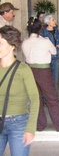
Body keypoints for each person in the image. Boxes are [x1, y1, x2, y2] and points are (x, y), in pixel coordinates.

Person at [22, 17, 59, 131]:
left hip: (30, 70)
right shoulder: (45, 41)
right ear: (40, 29)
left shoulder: (25, 42)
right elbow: (53, 51)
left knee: (36, 98)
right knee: (51, 97)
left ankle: (40, 124)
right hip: (43, 71)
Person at [0, 25, 39, 156]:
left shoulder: (23, 70)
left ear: (12, 46)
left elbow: (34, 99)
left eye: (0, 43)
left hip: (18, 123)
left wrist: (30, 128)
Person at [41, 14, 59, 91]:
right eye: (53, 20)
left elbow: (58, 40)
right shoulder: (43, 31)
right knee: (46, 79)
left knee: (55, 79)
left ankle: (54, 99)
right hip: (46, 58)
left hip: (55, 57)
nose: (55, 21)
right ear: (48, 22)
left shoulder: (56, 30)